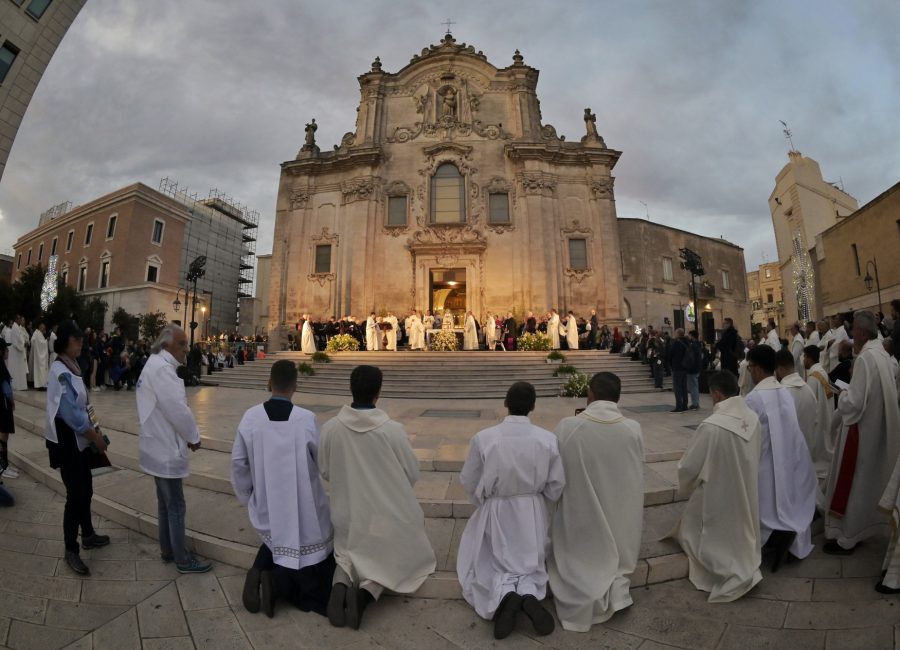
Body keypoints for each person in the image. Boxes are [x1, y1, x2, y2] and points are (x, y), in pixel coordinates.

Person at [319, 365, 435, 629]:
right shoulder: (392, 430)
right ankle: (365, 595)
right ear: (378, 393)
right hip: (382, 517)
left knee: (346, 553)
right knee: (392, 552)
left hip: (346, 511)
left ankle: (340, 583)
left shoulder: (331, 428)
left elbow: (325, 469)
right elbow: (411, 473)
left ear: (351, 389)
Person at [457, 382, 563, 639]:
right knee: (529, 561)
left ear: (506, 403)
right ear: (533, 406)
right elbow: (556, 484)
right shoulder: (547, 439)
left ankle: (506, 596)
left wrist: (483, 501)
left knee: (490, 562)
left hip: (498, 508)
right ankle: (527, 594)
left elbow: (469, 479)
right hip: (531, 510)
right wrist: (540, 498)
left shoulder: (485, 437)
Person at [231, 360, 335, 618]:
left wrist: (247, 496)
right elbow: (323, 463)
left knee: (277, 539)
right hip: (304, 505)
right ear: (295, 386)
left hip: (266, 502)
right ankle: (277, 584)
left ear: (270, 381)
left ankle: (261, 574)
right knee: (311, 557)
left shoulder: (250, 417)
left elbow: (238, 462)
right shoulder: (306, 419)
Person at [548, 372, 643, 631]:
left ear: (590, 394)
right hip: (618, 508)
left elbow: (553, 473)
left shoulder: (569, 426)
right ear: (618, 396)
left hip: (582, 514)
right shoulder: (632, 429)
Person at [670, 370, 762, 602]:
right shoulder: (752, 418)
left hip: (719, 493)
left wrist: (686, 482)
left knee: (695, 524)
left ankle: (721, 565)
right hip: (745, 488)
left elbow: (690, 467)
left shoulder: (712, 426)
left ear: (718, 394)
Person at [823, 310, 900, 555]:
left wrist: (843, 393)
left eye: (854, 329)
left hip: (859, 431)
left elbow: (854, 403)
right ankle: (862, 529)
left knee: (854, 482)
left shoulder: (866, 359)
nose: (851, 333)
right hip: (875, 429)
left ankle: (847, 537)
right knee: (866, 482)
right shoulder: (881, 354)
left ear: (862, 332)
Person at [136, 324, 211, 574]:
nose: (186, 349)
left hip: (156, 445)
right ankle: (182, 559)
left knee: (164, 503)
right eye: (182, 344)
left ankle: (168, 549)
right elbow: (177, 410)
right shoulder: (162, 370)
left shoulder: (154, 364)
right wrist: (193, 437)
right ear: (167, 345)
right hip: (164, 447)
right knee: (176, 505)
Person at [44, 320, 111, 575]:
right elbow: (70, 413)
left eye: (82, 339)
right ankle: (70, 549)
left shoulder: (73, 366)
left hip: (81, 438)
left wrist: (96, 428)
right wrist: (95, 437)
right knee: (75, 495)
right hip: (67, 440)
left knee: (86, 489)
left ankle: (89, 534)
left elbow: (85, 405)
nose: (81, 343)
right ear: (64, 342)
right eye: (76, 339)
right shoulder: (59, 371)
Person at [744, 344, 817, 570]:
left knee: (760, 506)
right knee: (785, 505)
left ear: (756, 369)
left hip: (766, 464)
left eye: (749, 367)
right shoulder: (784, 391)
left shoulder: (753, 398)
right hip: (791, 461)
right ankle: (785, 534)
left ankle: (776, 537)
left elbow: (751, 439)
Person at [774, 349, 818, 468]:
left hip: (789, 460)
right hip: (808, 455)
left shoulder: (781, 392)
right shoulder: (808, 390)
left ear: (780, 369)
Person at [802, 345, 835, 478]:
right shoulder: (822, 372)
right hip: (825, 415)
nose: (803, 360)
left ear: (809, 358)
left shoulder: (813, 378)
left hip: (817, 418)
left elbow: (808, 403)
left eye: (804, 357)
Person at [0, 340, 16, 480]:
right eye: (6, 349)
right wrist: (12, 401)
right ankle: (3, 466)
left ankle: (4, 465)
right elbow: (6, 388)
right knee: (3, 435)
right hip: (4, 405)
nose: (8, 351)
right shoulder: (1, 367)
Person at [669, 328, 689, 413]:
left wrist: (670, 365)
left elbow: (670, 354)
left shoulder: (676, 343)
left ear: (678, 334)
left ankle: (679, 406)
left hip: (677, 368)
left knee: (677, 388)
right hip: (685, 368)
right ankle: (685, 405)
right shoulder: (687, 342)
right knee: (684, 387)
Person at [6, 316, 27, 391]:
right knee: (16, 369)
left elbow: (22, 338)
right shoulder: (15, 328)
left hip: (19, 351)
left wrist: (23, 343)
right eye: (19, 319)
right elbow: (15, 342)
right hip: (16, 351)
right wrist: (22, 346)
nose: (21, 320)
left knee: (19, 369)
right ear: (16, 319)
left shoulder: (18, 327)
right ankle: (16, 385)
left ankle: (21, 385)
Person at [686, 330, 703, 410]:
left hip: (693, 369)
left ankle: (695, 403)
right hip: (697, 367)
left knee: (693, 387)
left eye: (689, 335)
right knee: (694, 386)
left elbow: (691, 358)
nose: (688, 337)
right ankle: (695, 403)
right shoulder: (699, 344)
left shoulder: (693, 345)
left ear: (692, 336)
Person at [30, 323, 49, 390]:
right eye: (43, 328)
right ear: (40, 327)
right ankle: (41, 385)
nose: (44, 329)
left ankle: (42, 384)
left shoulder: (39, 334)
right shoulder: (38, 333)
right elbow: (39, 342)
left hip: (40, 355)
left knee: (42, 370)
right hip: (39, 356)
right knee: (41, 370)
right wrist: (46, 341)